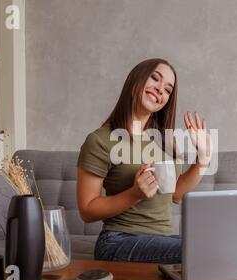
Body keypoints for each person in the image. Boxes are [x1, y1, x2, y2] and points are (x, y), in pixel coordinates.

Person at [77, 58, 211, 264]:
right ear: (135, 82)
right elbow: (87, 210)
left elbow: (175, 194)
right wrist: (134, 194)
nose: (160, 90)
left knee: (217, 245)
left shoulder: (166, 140)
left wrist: (202, 161)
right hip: (119, 241)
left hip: (163, 239)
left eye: (168, 89)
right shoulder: (100, 140)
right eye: (155, 79)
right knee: (204, 252)